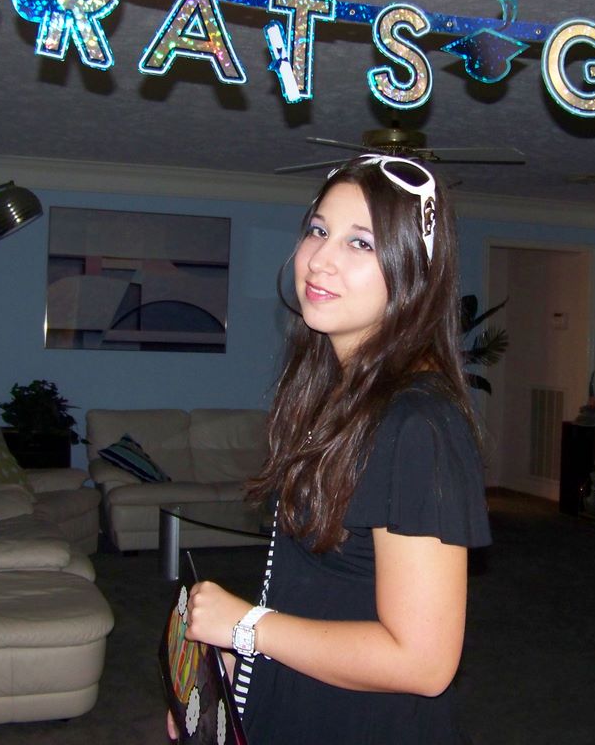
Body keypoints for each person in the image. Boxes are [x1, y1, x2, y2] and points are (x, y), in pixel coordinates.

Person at [177, 154, 492, 744]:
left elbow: (423, 662)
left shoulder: (418, 424)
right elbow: (325, 596)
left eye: (361, 243)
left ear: (414, 274)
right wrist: (231, 671)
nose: (321, 259)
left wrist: (247, 626)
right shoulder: (337, 398)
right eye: (319, 231)